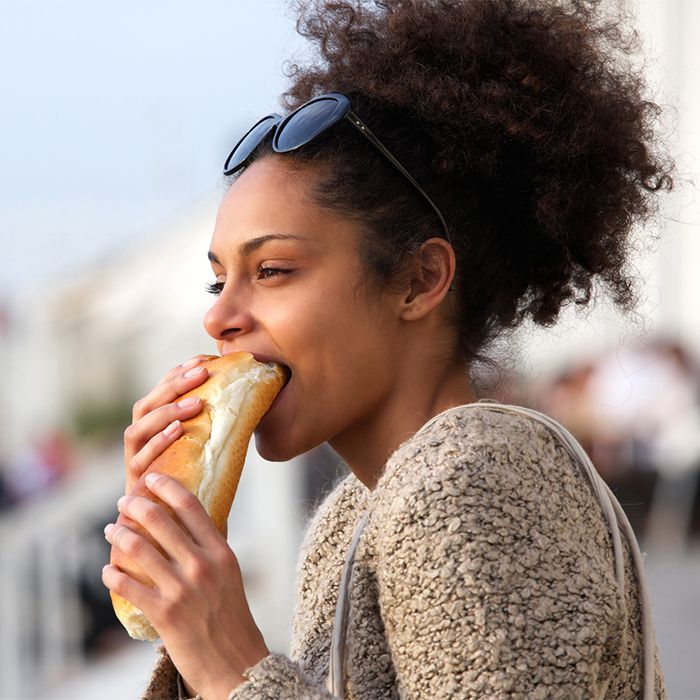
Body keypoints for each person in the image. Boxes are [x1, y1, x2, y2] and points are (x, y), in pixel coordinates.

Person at [101, 1, 674, 698]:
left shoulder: (467, 481)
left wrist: (230, 665)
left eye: (272, 270)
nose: (219, 316)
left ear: (418, 279)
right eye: (218, 279)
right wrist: (184, 607)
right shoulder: (354, 519)